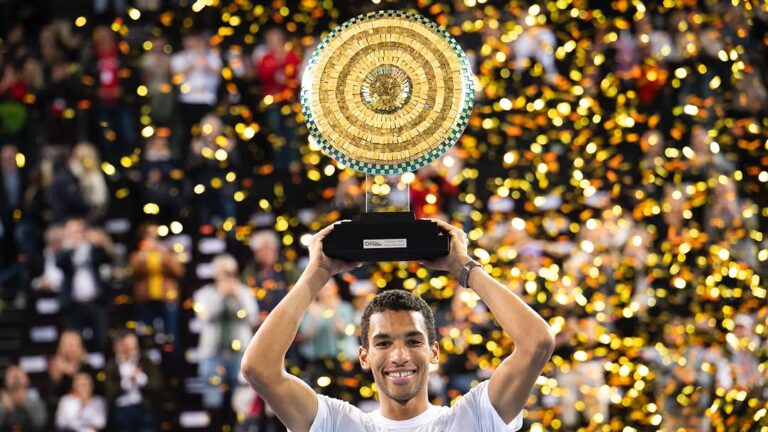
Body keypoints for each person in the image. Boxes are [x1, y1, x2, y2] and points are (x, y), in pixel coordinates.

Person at [241, 219, 555, 431]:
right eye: (383, 342)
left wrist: (465, 267)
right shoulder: (338, 423)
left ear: (434, 352)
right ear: (364, 356)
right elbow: (259, 369)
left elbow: (537, 343)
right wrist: (316, 273)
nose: (399, 354)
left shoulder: (474, 417)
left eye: (413, 340)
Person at [193, 254, 259, 428]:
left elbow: (252, 317)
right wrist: (220, 295)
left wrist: (237, 294)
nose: (227, 276)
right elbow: (204, 317)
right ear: (215, 273)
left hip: (239, 353)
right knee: (213, 401)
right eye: (223, 272)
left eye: (230, 272)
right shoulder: (205, 294)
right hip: (213, 354)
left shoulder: (243, 291)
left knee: (241, 403)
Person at [104, 330, 163, 432]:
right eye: (126, 347)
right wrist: (126, 381)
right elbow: (109, 392)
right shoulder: (111, 366)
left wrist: (140, 377)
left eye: (133, 347)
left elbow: (157, 386)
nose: (130, 351)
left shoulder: (146, 362)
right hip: (121, 409)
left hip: (144, 407)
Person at [0, 365, 48, 431]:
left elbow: (40, 424)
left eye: (19, 376)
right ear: (5, 381)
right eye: (12, 377)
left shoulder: (36, 402)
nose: (16, 380)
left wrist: (25, 405)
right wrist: (4, 408)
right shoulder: (2, 404)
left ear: (27, 380)